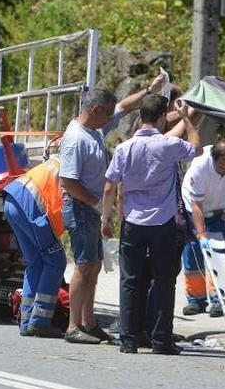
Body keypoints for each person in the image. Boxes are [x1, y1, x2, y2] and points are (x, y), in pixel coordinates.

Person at [58, 75, 165, 344]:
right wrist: (95, 204)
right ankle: (73, 326)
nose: (110, 120)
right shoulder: (75, 139)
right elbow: (67, 181)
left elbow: (123, 108)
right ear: (94, 110)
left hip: (91, 209)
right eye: (105, 114)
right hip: (81, 207)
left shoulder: (94, 129)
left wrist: (149, 90)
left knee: (93, 266)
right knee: (84, 267)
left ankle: (88, 322)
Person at [101, 95, 201, 355]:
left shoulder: (124, 148)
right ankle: (161, 340)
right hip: (162, 222)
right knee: (163, 280)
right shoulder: (168, 145)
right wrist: (188, 119)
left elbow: (110, 185)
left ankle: (128, 340)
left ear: (140, 117)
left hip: (132, 222)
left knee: (130, 280)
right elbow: (196, 148)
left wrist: (106, 218)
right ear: (161, 118)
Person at [180, 139, 225, 317]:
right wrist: (202, 234)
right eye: (222, 168)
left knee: (219, 254)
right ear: (214, 160)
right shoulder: (200, 166)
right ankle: (196, 300)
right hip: (195, 209)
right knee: (193, 254)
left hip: (222, 211)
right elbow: (197, 205)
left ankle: (218, 299)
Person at [2, 158, 68, 338]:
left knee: (36, 263)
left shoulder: (63, 159)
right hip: (31, 207)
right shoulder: (80, 168)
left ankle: (26, 321)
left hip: (13, 198)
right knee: (56, 261)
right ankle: (39, 322)